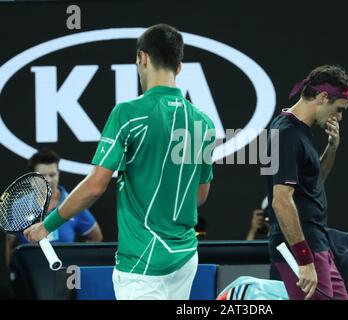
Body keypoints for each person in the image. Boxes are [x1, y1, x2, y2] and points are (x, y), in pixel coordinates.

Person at [23, 24, 216, 300]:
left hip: (142, 264)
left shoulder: (127, 114)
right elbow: (199, 194)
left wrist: (47, 226)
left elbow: (94, 187)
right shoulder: (204, 123)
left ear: (143, 58)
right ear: (180, 67)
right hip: (185, 258)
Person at [263, 65, 348, 300]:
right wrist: (303, 258)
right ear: (323, 97)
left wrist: (332, 148)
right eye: (339, 109)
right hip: (302, 249)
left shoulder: (298, 130)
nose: (339, 117)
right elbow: (281, 202)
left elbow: (314, 184)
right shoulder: (286, 134)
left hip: (317, 243)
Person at [5, 148, 103, 266]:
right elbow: (10, 243)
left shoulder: (73, 204)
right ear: (32, 179)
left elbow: (96, 237)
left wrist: (77, 262)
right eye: (43, 176)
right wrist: (13, 273)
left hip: (66, 276)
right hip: (30, 274)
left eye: (52, 175)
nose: (49, 180)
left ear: (58, 174)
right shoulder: (19, 207)